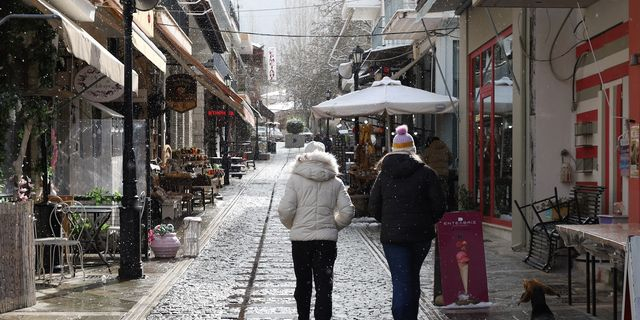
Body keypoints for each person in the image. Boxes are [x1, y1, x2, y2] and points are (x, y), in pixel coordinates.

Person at [368, 125, 445, 320]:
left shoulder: (384, 175)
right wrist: (426, 221)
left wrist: (389, 221)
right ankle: (410, 315)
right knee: (412, 276)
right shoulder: (427, 173)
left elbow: (373, 207)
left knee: (401, 280)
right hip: (421, 236)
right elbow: (439, 206)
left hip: (393, 238)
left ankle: (403, 316)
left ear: (393, 149)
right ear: (413, 149)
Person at [278, 141, 354, 320]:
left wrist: (294, 225)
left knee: (303, 284)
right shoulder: (336, 182)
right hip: (326, 243)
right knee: (324, 286)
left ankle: (303, 317)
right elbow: (348, 211)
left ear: (304, 157)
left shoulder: (295, 180)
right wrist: (332, 226)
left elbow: (284, 210)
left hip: (301, 242)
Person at [422, 136, 453, 207]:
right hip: (444, 174)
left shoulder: (428, 149)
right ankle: (444, 206)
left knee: (434, 191)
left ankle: (436, 207)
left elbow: (423, 161)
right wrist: (445, 166)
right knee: (444, 190)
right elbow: (451, 159)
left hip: (433, 174)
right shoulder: (445, 148)